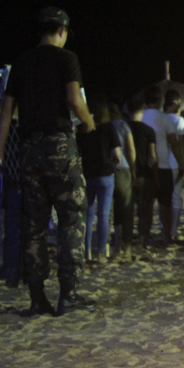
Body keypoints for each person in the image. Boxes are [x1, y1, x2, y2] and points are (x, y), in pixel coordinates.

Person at [0, 7, 96, 316]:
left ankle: (37, 297)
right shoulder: (67, 59)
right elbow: (74, 100)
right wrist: (89, 122)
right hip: (59, 147)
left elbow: (6, 114)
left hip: (29, 150)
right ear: (62, 31)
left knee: (34, 224)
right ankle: (68, 293)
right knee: (71, 218)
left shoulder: (22, 63)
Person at [77, 97, 121, 264]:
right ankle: (101, 253)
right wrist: (114, 164)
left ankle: (87, 252)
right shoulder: (109, 127)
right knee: (103, 214)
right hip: (105, 174)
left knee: (88, 215)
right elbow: (117, 154)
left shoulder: (82, 130)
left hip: (87, 174)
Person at [141, 85, 184, 245]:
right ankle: (167, 235)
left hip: (145, 166)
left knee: (146, 205)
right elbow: (175, 144)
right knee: (165, 204)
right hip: (164, 166)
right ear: (159, 101)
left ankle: (144, 237)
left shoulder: (140, 117)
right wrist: (182, 164)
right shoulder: (165, 118)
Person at [126, 98, 158, 248]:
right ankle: (142, 239)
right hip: (144, 173)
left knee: (127, 209)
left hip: (126, 173)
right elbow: (152, 155)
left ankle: (126, 239)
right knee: (145, 209)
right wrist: (155, 174)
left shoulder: (123, 127)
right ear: (143, 110)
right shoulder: (148, 130)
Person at [109, 101, 136, 260]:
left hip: (107, 170)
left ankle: (116, 245)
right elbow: (130, 149)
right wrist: (133, 168)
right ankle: (127, 247)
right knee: (126, 208)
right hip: (123, 168)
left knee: (114, 210)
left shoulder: (102, 127)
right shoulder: (123, 125)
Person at [163, 89, 184, 239]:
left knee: (164, 198)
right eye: (179, 103)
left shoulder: (160, 119)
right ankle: (173, 231)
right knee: (176, 197)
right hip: (175, 162)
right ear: (173, 103)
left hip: (161, 162)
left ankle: (164, 230)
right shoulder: (179, 121)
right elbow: (180, 145)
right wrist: (183, 164)